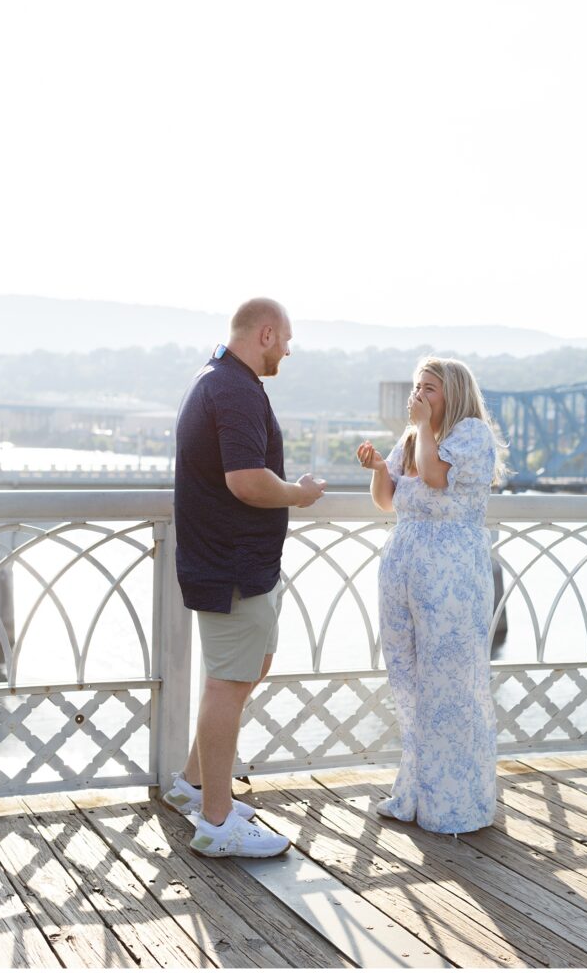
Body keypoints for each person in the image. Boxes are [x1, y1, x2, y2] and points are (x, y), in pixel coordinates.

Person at [164, 298, 326, 858]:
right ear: (265, 333)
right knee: (227, 685)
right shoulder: (232, 388)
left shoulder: (215, 378)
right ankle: (216, 822)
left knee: (246, 670)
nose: (288, 349)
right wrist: (298, 493)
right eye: (285, 339)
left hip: (236, 562)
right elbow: (247, 481)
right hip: (230, 563)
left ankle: (193, 785)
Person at [357, 356, 505, 835]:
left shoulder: (471, 435)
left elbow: (437, 478)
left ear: (454, 394)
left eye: (430, 388)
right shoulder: (412, 439)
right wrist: (380, 466)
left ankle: (458, 803)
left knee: (451, 686)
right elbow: (388, 500)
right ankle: (416, 793)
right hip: (403, 567)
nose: (419, 395)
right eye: (418, 386)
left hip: (452, 575)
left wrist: (420, 430)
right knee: (409, 680)